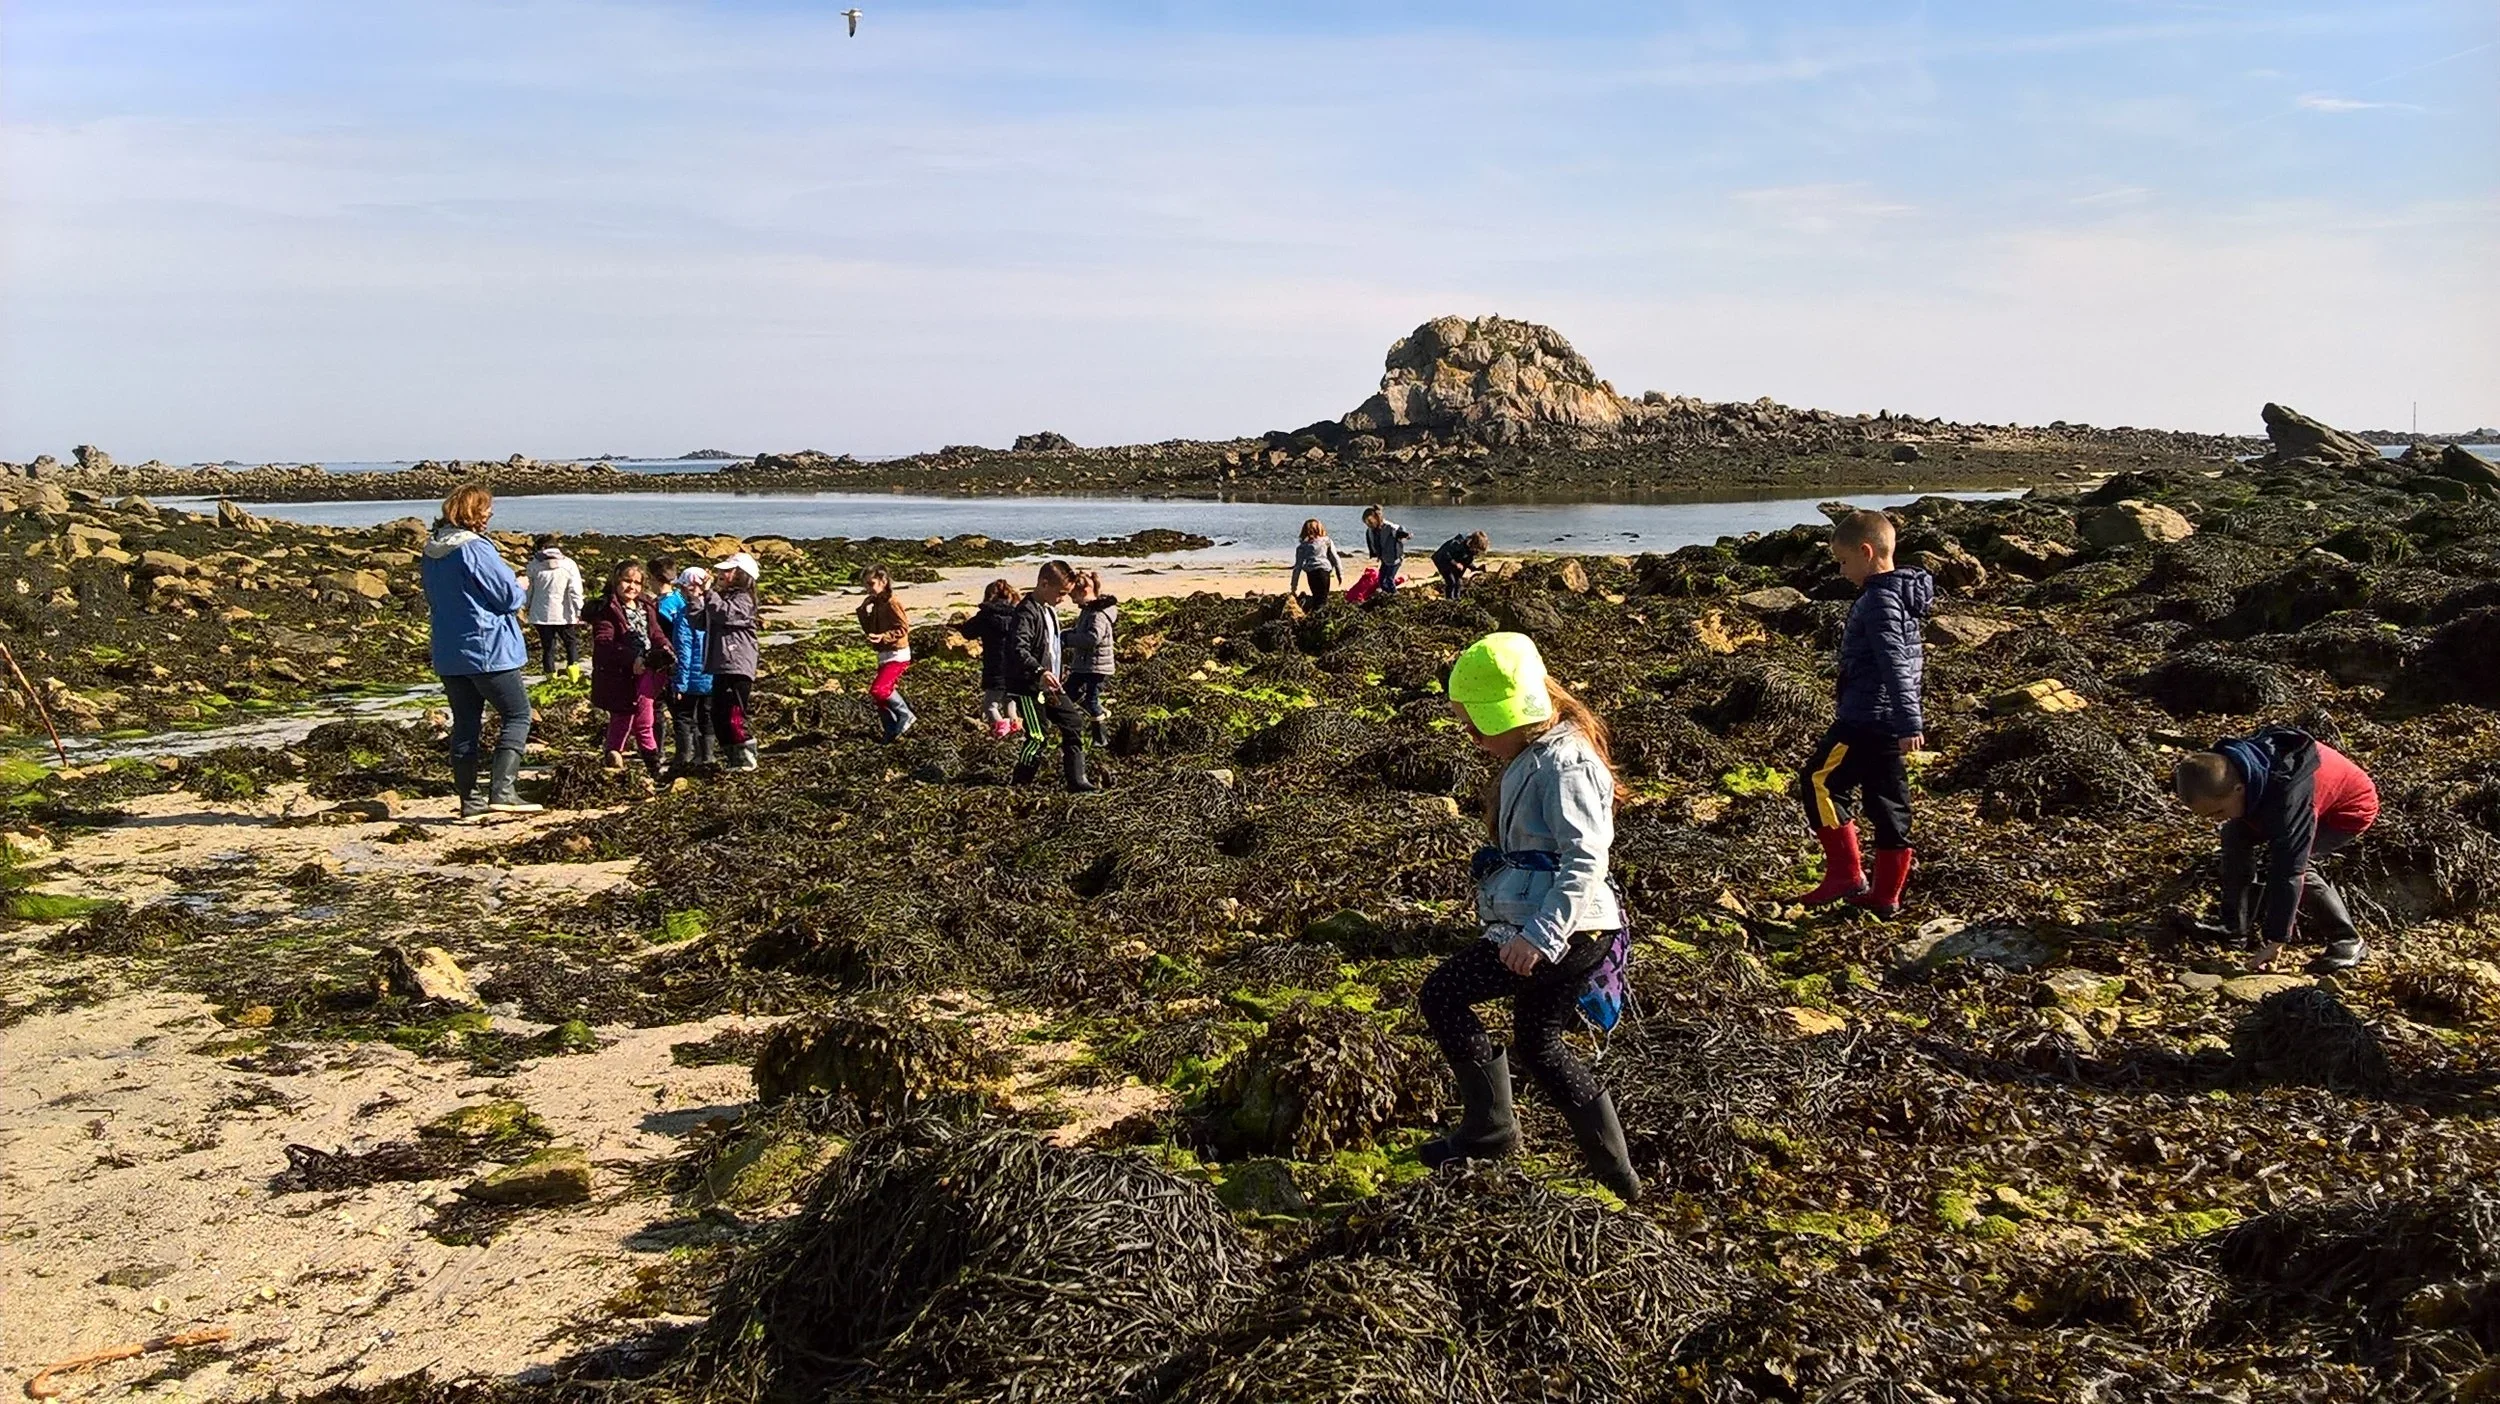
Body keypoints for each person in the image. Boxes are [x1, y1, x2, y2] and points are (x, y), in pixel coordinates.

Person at [1416, 632, 1638, 1201]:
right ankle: (1617, 1176)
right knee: (1540, 1045)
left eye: (1478, 724)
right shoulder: (1534, 751)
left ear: (1516, 715)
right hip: (1560, 925)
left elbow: (1586, 859)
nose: (1470, 735)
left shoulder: (1565, 764)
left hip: (1567, 928)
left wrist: (1539, 937)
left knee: (1442, 993)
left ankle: (1491, 1130)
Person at [1789, 510, 1932, 918]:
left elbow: (1895, 664)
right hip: (1885, 721)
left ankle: (1846, 875)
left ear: (1867, 552)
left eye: (1843, 561)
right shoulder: (1904, 593)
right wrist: (1905, 721)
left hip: (1866, 719)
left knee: (1819, 780)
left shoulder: (1878, 600)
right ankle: (1886, 896)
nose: (1841, 569)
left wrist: (1909, 722)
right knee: (1888, 803)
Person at [2175, 729, 2379, 972]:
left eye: (2218, 812)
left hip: (2345, 811)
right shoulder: (2237, 768)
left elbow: (2290, 869)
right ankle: (2233, 929)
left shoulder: (2289, 799)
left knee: (2302, 867)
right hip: (2271, 800)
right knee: (2232, 834)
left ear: (2239, 789)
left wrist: (2276, 939)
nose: (2215, 820)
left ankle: (2347, 941)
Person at [419, 485, 542, 818]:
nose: (490, 514)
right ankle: (503, 790)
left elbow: (433, 598)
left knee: (466, 722)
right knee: (517, 714)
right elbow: (505, 597)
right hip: (488, 647)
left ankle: (469, 799)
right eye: (486, 508)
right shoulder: (474, 549)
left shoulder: (431, 550)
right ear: (471, 512)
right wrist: (521, 586)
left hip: (449, 650)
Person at [1003, 560, 1095, 792]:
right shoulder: (1026, 612)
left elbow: (1051, 647)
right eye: (1061, 593)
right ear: (1044, 584)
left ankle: (1077, 780)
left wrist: (1056, 671)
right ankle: (1020, 783)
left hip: (1051, 687)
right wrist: (1039, 671)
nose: (1063, 598)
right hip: (1029, 688)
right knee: (1037, 737)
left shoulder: (1049, 609)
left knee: (1073, 723)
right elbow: (1018, 648)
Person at [587, 561, 673, 781]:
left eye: (637, 582)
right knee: (625, 716)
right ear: (616, 579)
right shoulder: (607, 608)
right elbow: (604, 642)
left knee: (643, 718)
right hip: (620, 673)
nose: (632, 587)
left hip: (647, 670)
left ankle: (619, 755)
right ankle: (649, 767)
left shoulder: (647, 605)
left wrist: (665, 648)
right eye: (627, 580)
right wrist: (631, 658)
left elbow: (655, 632)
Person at [692, 551, 762, 772]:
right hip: (722, 665)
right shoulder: (721, 598)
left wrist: (709, 592)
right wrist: (695, 597)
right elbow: (701, 621)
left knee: (733, 714)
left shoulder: (744, 599)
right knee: (718, 714)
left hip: (737, 664)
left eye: (728, 570)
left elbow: (724, 614)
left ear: (741, 575)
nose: (721, 573)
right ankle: (733, 758)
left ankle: (746, 758)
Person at [856, 565, 917, 743]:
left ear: (883, 582)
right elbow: (869, 629)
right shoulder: (877, 602)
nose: (867, 588)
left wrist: (885, 636)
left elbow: (904, 628)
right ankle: (890, 730)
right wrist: (862, 610)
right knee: (878, 695)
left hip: (898, 654)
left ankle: (906, 715)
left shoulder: (892, 602)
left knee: (879, 690)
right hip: (884, 654)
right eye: (865, 584)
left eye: (871, 583)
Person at [664, 566, 716, 770]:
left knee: (684, 718)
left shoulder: (685, 616)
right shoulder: (714, 611)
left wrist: (680, 683)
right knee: (707, 717)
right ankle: (707, 757)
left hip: (691, 679)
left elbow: (684, 652)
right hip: (711, 677)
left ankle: (683, 757)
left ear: (686, 590)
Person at [1062, 569, 1117, 747]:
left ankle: (1100, 738)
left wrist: (1069, 640)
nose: (1073, 601)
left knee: (1092, 699)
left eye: (1074, 596)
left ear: (1085, 591)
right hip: (1083, 665)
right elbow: (1081, 632)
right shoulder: (1088, 610)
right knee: (1069, 691)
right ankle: (1099, 713)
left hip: (1097, 666)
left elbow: (1092, 638)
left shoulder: (1098, 614)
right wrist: (1064, 634)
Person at [524, 534, 585, 678]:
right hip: (564, 614)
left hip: (541, 614)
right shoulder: (569, 564)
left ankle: (550, 676)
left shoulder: (534, 565)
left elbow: (529, 590)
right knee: (570, 644)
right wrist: (579, 609)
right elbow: (575, 590)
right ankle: (574, 675)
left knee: (548, 647)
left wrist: (526, 606)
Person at [970, 579, 1025, 738]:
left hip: (995, 667)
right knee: (1010, 702)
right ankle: (1015, 730)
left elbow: (968, 631)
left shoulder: (986, 616)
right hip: (1015, 667)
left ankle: (1001, 731)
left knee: (990, 706)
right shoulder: (1018, 615)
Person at [1291, 518, 1345, 609]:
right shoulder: (1327, 542)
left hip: (1311, 573)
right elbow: (1336, 559)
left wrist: (1294, 586)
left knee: (1316, 596)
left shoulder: (1302, 547)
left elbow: (1297, 567)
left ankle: (1318, 613)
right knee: (1323, 598)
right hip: (1324, 572)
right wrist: (1340, 574)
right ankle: (1321, 615)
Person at [1362, 506, 1411, 601]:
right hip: (1384, 558)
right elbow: (1371, 541)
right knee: (1381, 580)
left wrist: (1406, 535)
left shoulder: (1389, 527)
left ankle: (1395, 596)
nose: (1369, 525)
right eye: (1366, 523)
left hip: (1395, 558)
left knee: (1389, 579)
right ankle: (1388, 596)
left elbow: (1399, 532)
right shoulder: (1371, 531)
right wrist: (1374, 553)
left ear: (1377, 518)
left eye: (1370, 522)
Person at [1432, 530, 1490, 599]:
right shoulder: (1459, 542)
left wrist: (1476, 568)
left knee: (1459, 582)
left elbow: (1467, 561)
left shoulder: (1471, 550)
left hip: (1455, 560)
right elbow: (1445, 553)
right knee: (1451, 581)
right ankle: (1449, 600)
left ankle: (1457, 599)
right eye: (1477, 550)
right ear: (1474, 544)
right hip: (1442, 559)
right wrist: (1456, 563)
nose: (1477, 552)